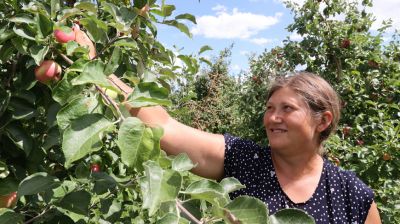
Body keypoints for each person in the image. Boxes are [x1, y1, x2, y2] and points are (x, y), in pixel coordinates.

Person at [74, 27, 381, 223]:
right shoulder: (244, 159)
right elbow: (164, 125)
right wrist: (95, 71)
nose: (272, 118)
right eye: (269, 108)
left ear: (322, 120)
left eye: (287, 109)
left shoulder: (352, 195)